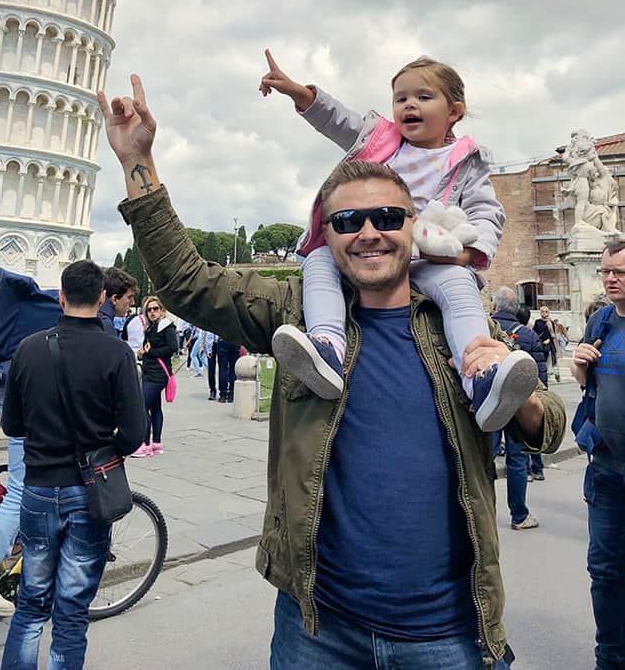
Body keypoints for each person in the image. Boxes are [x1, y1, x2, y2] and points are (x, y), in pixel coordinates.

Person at [98, 74, 566, 669]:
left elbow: (548, 426)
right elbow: (188, 283)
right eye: (346, 222)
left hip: (451, 631)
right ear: (329, 235)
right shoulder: (295, 312)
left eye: (387, 217)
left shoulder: (461, 323)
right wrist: (139, 161)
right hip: (319, 629)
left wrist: (513, 389)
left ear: (414, 225)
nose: (368, 232)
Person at [258, 51, 539, 433]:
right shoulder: (381, 139)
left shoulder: (466, 160)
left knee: (460, 290)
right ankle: (327, 346)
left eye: (423, 97)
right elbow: (337, 120)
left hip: (430, 260)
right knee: (320, 259)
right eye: (401, 98)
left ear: (454, 111)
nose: (409, 104)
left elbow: (488, 214)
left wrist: (467, 255)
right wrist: (300, 94)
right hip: (371, 249)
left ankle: (481, 376)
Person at [0, 259, 145, 670]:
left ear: (60, 297)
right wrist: (103, 450)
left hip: (40, 486)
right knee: (71, 609)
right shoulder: (116, 353)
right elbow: (134, 433)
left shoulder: (28, 349)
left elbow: (12, 424)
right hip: (89, 489)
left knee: (31, 602)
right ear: (102, 298)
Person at [571, 238, 625, 670]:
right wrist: (579, 367)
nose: (610, 279)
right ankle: (610, 657)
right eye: (606, 271)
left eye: (619, 272)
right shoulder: (601, 322)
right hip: (606, 469)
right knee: (605, 572)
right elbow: (586, 384)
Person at [490, 290, 546, 526]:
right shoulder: (528, 335)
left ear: (495, 306)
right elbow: (540, 373)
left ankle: (481, 516)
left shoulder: (483, 328)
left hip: (489, 405)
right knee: (517, 460)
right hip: (519, 406)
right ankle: (519, 516)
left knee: (483, 459)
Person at [131, 295, 178, 458]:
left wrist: (151, 352)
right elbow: (149, 348)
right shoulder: (152, 327)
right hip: (150, 371)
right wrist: (143, 353)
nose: (152, 312)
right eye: (149, 309)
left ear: (161, 310)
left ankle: (144, 444)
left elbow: (173, 347)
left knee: (142, 406)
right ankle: (156, 443)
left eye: (155, 309)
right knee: (155, 408)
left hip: (158, 374)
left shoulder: (166, 326)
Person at [515, 305, 548, 483]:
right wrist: (543, 392)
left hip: (510, 393)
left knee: (516, 437)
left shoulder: (498, 330)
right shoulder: (531, 335)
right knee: (534, 432)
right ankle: (538, 468)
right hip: (531, 390)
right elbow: (540, 365)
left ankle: (527, 471)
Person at [98, 266, 138, 337]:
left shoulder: (92, 317)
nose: (132, 302)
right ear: (115, 299)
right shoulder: (105, 325)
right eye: (129, 297)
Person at [533, 305, 561, 383]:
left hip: (551, 345)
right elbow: (535, 334)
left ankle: (556, 375)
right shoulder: (537, 322)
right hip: (542, 345)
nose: (545, 313)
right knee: (544, 360)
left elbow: (553, 334)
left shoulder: (551, 322)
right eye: (543, 311)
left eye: (546, 311)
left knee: (553, 359)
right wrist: (542, 341)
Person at [216, 335, 240, 403]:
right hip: (236, 341)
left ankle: (223, 395)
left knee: (222, 369)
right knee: (233, 370)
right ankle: (231, 394)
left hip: (223, 340)